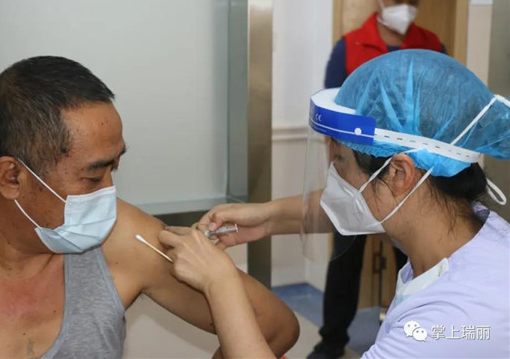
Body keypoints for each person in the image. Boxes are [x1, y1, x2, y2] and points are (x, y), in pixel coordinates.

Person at [0, 56, 299, 358]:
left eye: (114, 168)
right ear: (12, 177)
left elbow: (275, 326)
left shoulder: (122, 240)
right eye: (93, 176)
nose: (108, 195)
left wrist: (220, 278)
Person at [159, 50, 510, 358]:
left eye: (340, 160)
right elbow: (360, 204)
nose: (334, 175)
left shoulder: (453, 318)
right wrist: (266, 219)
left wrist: (219, 283)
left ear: (400, 173)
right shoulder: (467, 229)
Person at [320, 0, 445, 356]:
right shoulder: (350, 46)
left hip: (415, 179)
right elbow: (333, 116)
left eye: (413, 1)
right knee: (345, 260)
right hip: (358, 177)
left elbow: (443, 111)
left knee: (417, 263)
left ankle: (414, 337)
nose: (405, 8)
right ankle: (331, 342)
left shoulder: (432, 47)